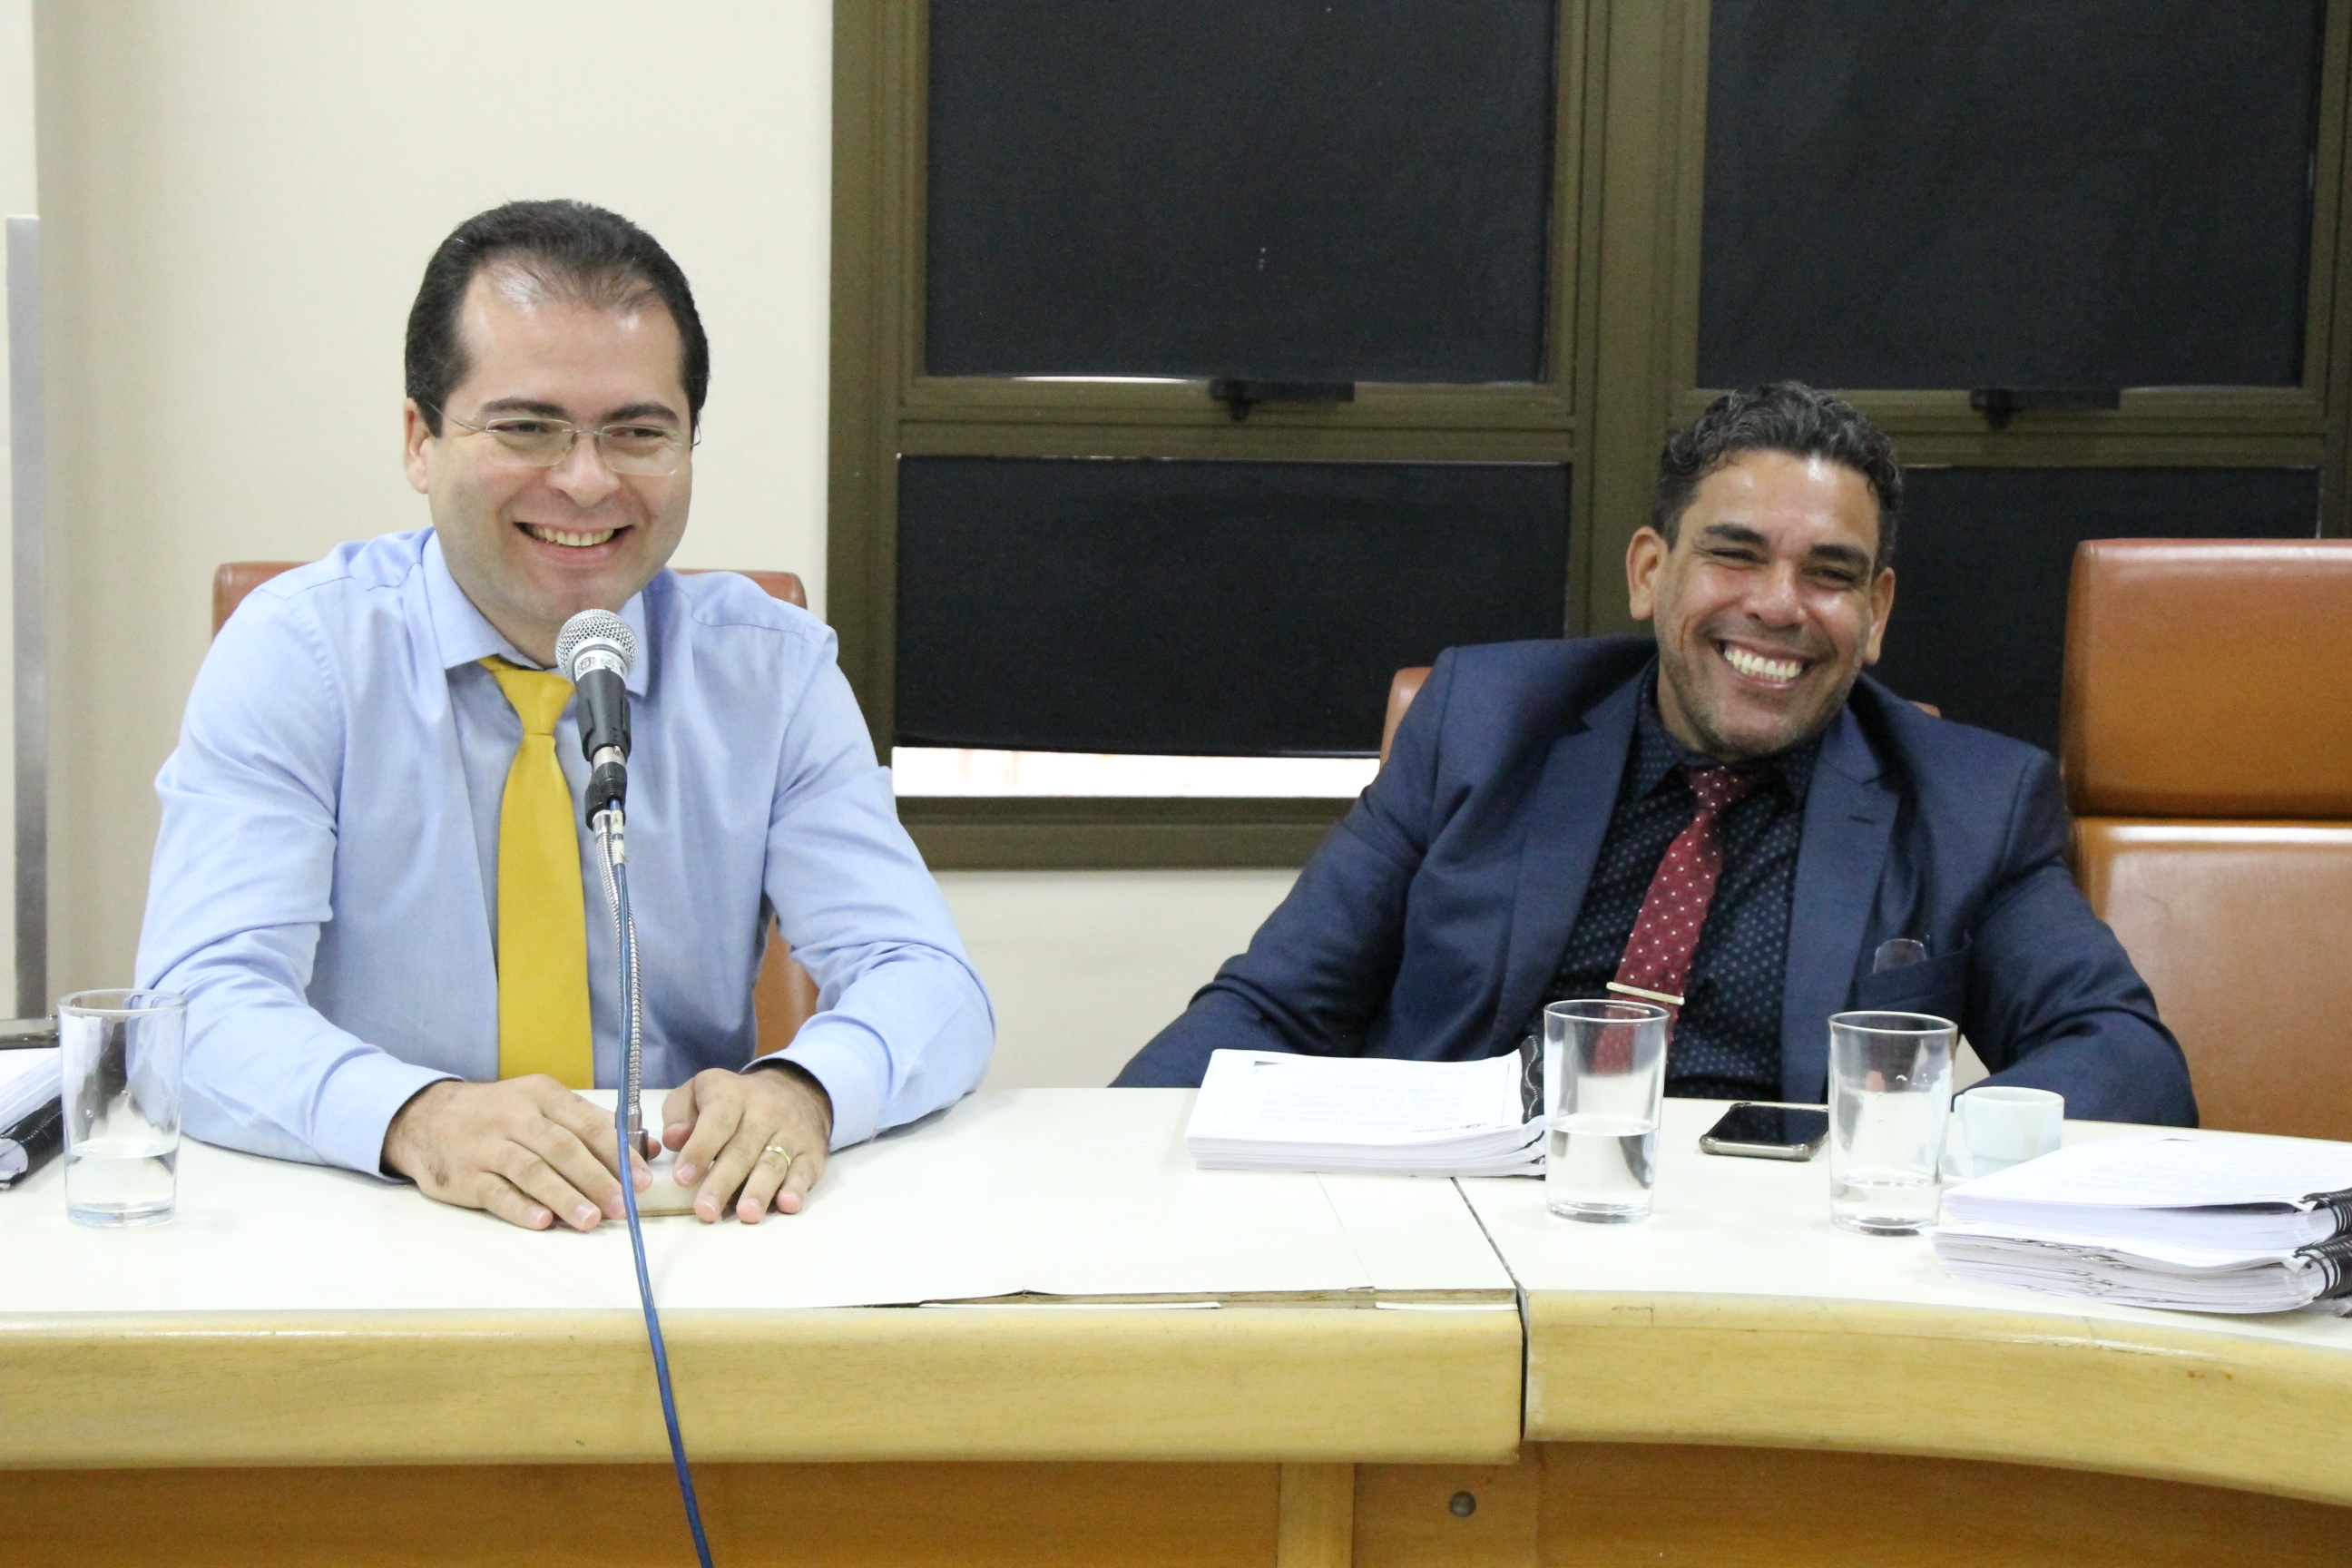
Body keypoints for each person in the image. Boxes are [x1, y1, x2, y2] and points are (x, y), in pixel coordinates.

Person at [138, 200, 994, 1231]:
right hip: (376, 1213)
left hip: (673, 1224)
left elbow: (929, 982)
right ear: (420, 442)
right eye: (526, 428)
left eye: (638, 432)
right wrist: (415, 1117)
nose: (587, 483)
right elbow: (196, 1012)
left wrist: (803, 1090)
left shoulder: (771, 671)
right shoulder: (300, 656)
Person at [1115, 383, 2194, 1125]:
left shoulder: (1971, 803)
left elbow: (2127, 1059)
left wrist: (1912, 1145)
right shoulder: (1481, 724)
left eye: (1829, 574)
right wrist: (1096, 1169)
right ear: (1649, 572)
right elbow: (1272, 1010)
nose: (1778, 606)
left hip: (1771, 1273)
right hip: (1457, 1231)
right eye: (1736, 555)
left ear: (1876, 614)